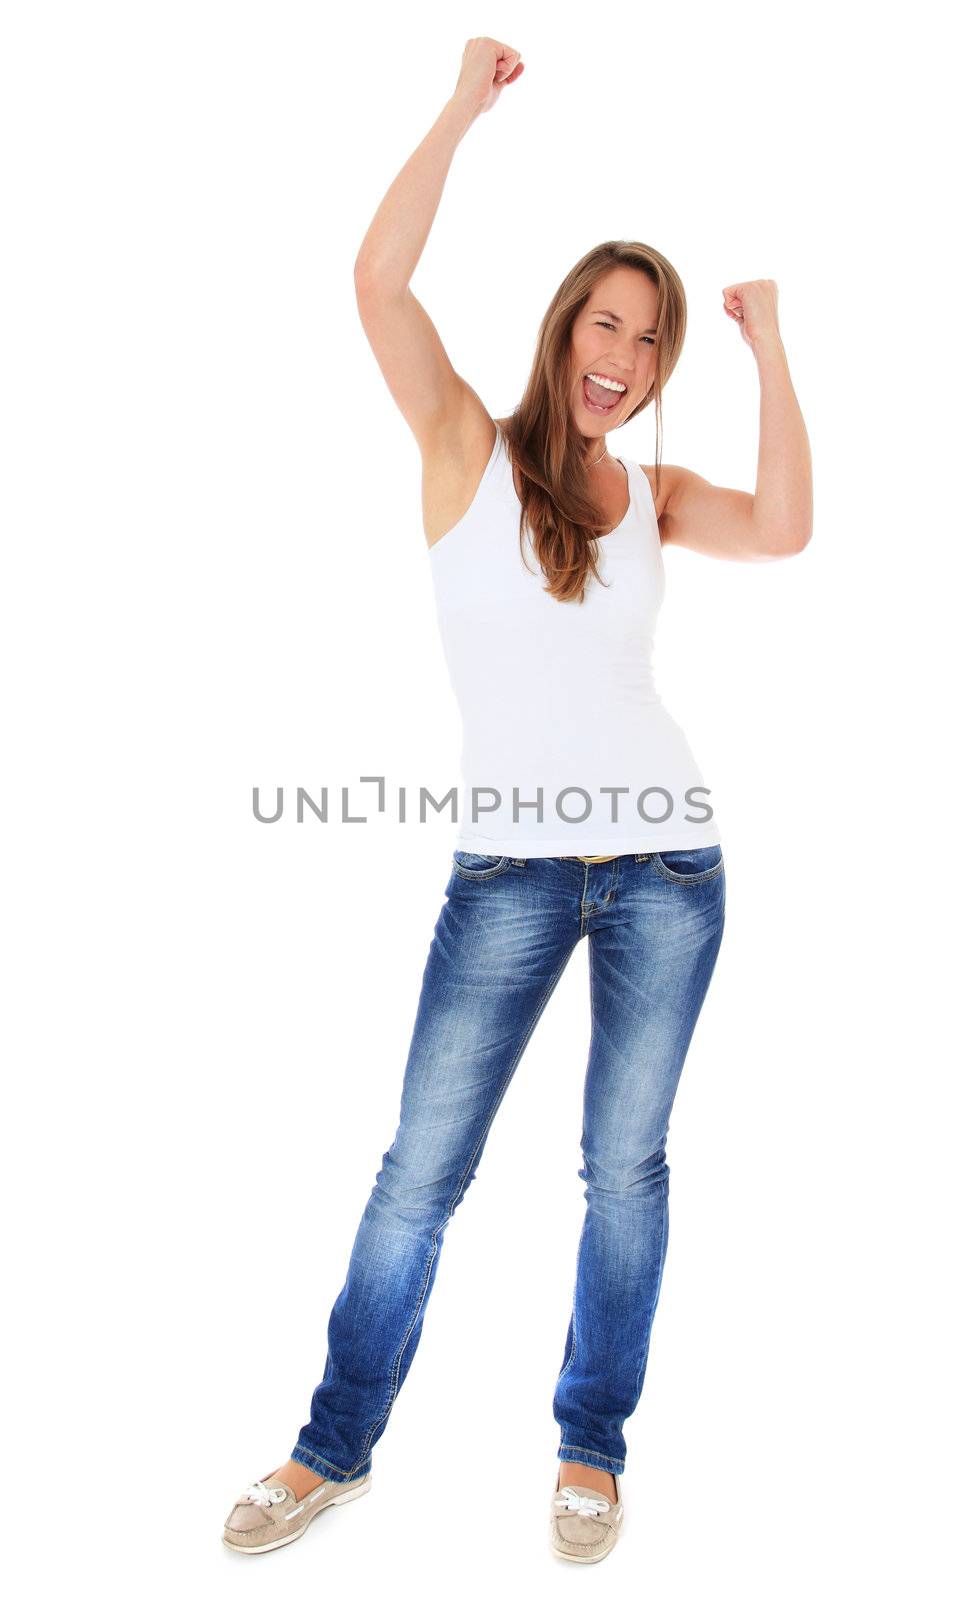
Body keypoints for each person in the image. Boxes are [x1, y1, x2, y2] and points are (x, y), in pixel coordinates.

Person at [222, 37, 812, 1565]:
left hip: (672, 872)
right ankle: (329, 1447)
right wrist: (462, 108)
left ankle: (589, 1449)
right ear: (564, 330)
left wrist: (769, 346)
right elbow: (373, 283)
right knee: (421, 1169)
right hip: (509, 877)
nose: (623, 351)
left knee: (625, 1168)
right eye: (606, 321)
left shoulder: (655, 499)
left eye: (651, 339)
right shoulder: (462, 450)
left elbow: (792, 529)